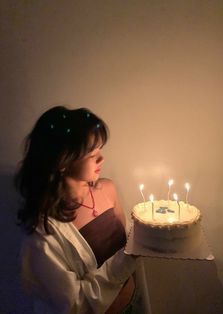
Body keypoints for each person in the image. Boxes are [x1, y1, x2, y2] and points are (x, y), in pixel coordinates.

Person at [15, 106, 139, 314]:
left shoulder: (108, 189)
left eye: (101, 150)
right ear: (63, 160)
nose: (102, 159)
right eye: (92, 153)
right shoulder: (42, 234)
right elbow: (73, 304)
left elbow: (123, 245)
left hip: (133, 305)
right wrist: (131, 256)